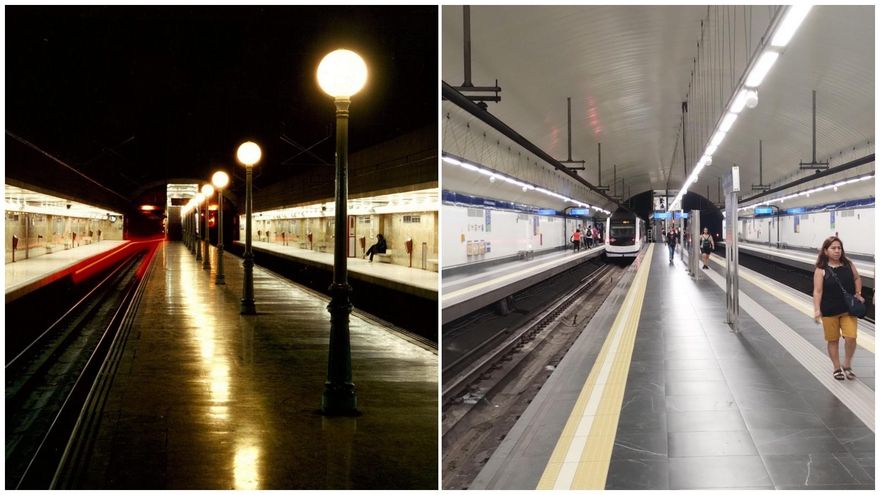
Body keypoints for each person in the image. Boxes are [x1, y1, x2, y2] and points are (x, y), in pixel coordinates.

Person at [813, 236, 863, 381]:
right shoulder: (821, 270)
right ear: (826, 251)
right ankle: (836, 367)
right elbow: (817, 291)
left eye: (839, 248)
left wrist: (858, 293)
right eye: (833, 248)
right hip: (829, 310)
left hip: (848, 309)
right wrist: (817, 309)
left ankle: (847, 364)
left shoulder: (848, 265)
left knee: (851, 338)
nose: (837, 251)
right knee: (833, 340)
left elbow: (857, 278)